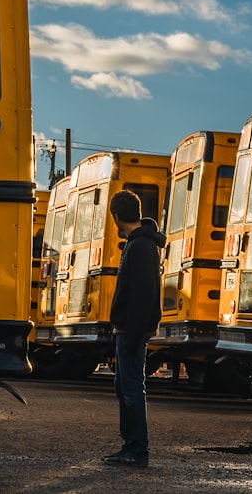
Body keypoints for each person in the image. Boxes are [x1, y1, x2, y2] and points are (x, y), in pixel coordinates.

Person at [102, 189, 164, 467]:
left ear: (116, 216)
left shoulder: (139, 246)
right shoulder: (140, 242)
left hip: (131, 330)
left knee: (131, 388)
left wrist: (133, 333)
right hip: (127, 328)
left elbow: (142, 294)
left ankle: (137, 449)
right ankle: (130, 444)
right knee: (123, 386)